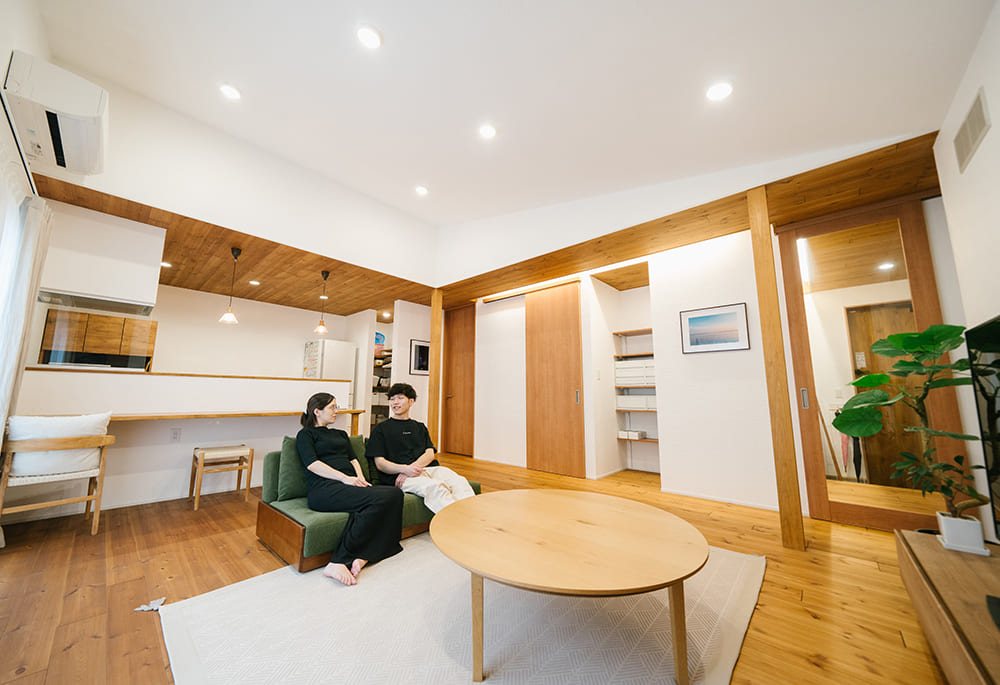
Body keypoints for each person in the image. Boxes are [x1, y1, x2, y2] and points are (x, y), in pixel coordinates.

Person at [297, 392, 403, 586]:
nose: (336, 411)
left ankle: (364, 555)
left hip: (349, 485)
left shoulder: (340, 434)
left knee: (395, 494)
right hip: (324, 489)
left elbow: (353, 459)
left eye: (336, 407)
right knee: (380, 499)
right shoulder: (306, 435)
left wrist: (360, 479)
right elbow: (312, 464)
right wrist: (345, 478)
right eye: (332, 407)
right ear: (317, 411)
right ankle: (337, 561)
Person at [366, 382, 475, 512]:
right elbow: (380, 463)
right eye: (392, 399)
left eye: (400, 398)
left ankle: (470, 515)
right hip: (398, 476)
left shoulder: (420, 427)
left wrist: (412, 469)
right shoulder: (381, 429)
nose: (395, 402)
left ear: (411, 401)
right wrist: (405, 470)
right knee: (434, 487)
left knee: (459, 482)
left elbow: (430, 454)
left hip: (427, 469)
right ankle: (456, 519)